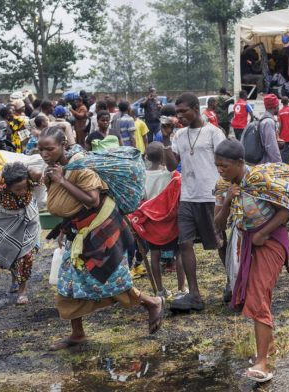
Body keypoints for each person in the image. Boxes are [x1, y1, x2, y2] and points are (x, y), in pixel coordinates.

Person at [38, 127, 164, 350]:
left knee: (112, 279)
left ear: (63, 145)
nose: (44, 153)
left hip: (100, 230)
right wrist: (65, 227)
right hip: (78, 233)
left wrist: (61, 180)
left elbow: (92, 200)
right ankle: (77, 334)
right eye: (41, 149)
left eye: (50, 148)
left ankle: (152, 303)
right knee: (67, 283)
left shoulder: (81, 169)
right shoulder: (58, 167)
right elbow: (69, 204)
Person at [213, 140, 289, 383]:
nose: (220, 170)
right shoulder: (223, 186)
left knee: (258, 295)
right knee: (256, 293)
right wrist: (227, 199)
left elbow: (286, 210)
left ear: (239, 163)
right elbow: (217, 223)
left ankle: (262, 363)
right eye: (217, 166)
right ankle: (269, 347)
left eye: (224, 166)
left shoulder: (259, 180)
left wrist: (262, 233)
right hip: (248, 242)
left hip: (270, 240)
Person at [161, 93, 226, 311]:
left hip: (211, 196)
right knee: (184, 243)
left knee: (220, 242)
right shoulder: (178, 135)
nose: (179, 116)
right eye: (177, 112)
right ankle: (195, 295)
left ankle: (233, 283)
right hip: (188, 196)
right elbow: (171, 166)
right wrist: (166, 140)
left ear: (196, 109)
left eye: (183, 111)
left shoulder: (213, 133)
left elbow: (225, 162)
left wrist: (225, 195)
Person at [0, 162, 45, 305]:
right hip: (3, 223)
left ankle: (23, 290)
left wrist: (25, 169)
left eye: (24, 188)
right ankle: (14, 276)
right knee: (11, 253)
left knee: (26, 256)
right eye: (17, 189)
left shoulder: (30, 180)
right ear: (7, 186)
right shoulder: (0, 187)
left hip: (27, 222)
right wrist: (4, 170)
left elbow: (37, 173)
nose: (22, 191)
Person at [140, 142, 185, 299]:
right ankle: (181, 288)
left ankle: (160, 290)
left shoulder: (142, 176)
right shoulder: (171, 176)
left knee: (155, 254)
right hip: (171, 222)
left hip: (153, 224)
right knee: (179, 253)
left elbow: (142, 199)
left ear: (146, 157)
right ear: (165, 158)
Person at [256, 94, 283, 164]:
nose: (279, 108)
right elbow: (271, 146)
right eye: (278, 105)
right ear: (274, 106)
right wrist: (279, 164)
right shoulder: (269, 122)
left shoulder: (264, 120)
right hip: (266, 164)